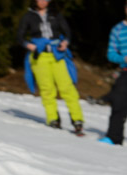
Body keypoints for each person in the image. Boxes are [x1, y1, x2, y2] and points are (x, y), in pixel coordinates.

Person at [17, 0, 84, 133]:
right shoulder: (28, 16)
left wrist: (65, 42)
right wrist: (29, 45)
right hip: (40, 56)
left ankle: (77, 119)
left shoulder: (56, 14)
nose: (43, 2)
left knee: (67, 87)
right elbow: (20, 36)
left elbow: (67, 32)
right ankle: (53, 118)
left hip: (57, 55)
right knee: (46, 88)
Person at [99, 2, 127, 145]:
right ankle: (114, 137)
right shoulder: (117, 29)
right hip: (125, 71)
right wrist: (123, 58)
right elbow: (110, 54)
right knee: (118, 103)